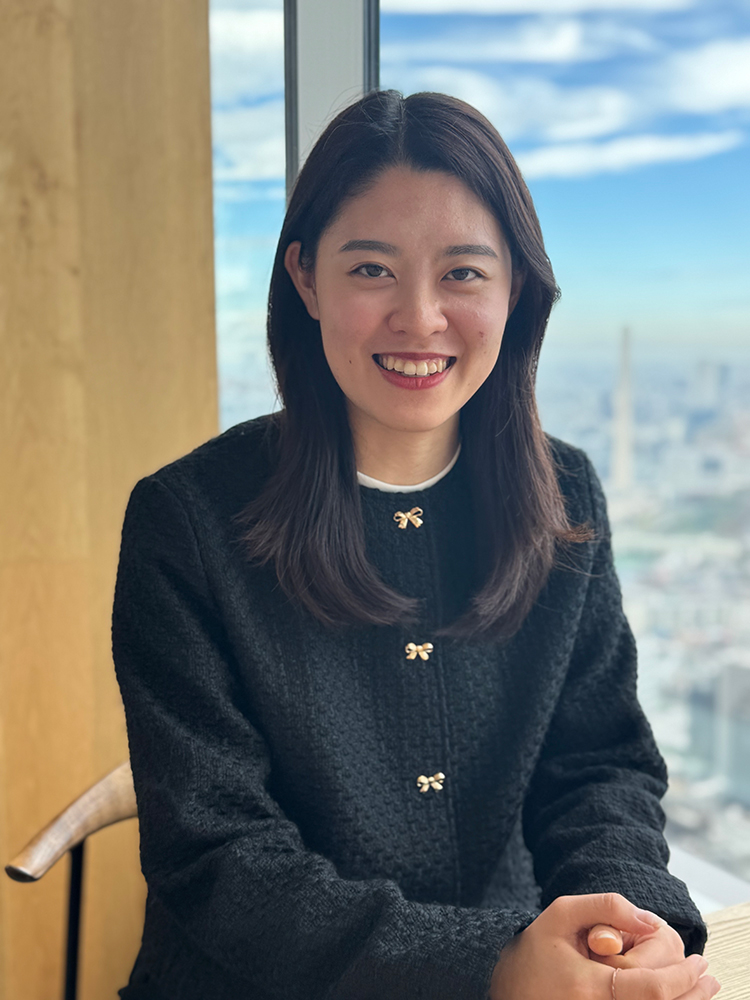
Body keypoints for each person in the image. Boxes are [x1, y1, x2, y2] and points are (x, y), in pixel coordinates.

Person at [112, 90, 719, 1000]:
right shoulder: (187, 522)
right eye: (372, 269)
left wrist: (624, 924)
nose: (420, 317)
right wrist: (488, 964)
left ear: (517, 290)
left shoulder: (565, 498)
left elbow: (599, 766)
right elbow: (218, 857)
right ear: (306, 279)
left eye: (464, 273)